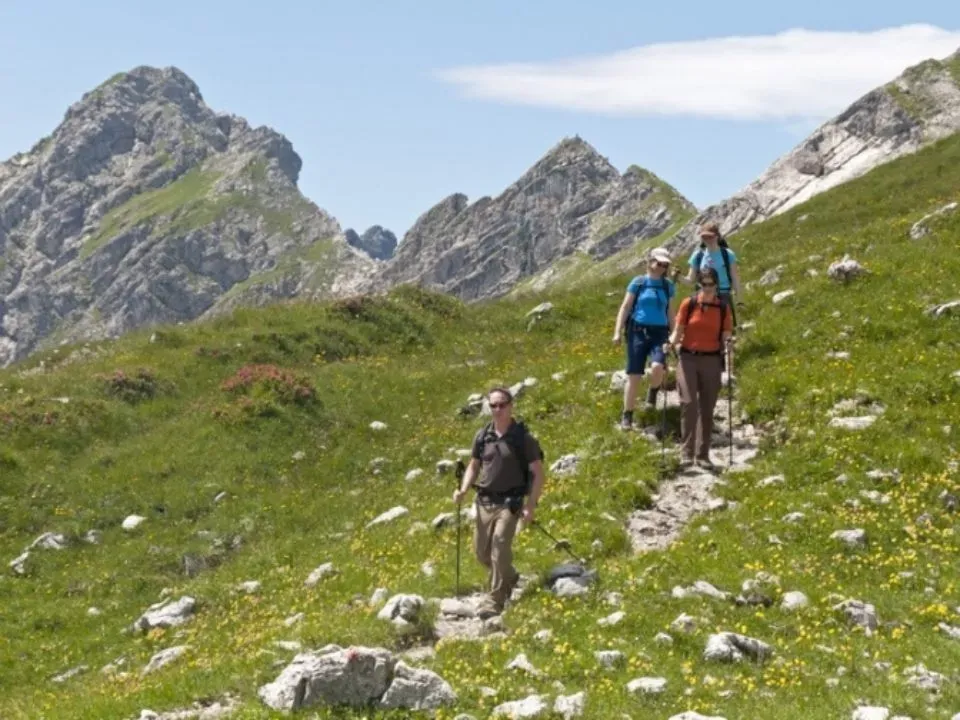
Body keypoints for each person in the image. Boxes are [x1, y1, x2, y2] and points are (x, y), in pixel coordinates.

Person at [453, 387, 545, 618]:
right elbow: (474, 465)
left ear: (511, 406)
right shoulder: (483, 436)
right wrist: (463, 489)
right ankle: (510, 576)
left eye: (502, 404)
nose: (497, 409)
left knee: (499, 548)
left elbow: (538, 473)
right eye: (493, 405)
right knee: (482, 553)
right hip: (484, 501)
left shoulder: (523, 438)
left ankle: (495, 600)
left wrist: (530, 505)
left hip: (510, 503)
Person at [667, 267, 733, 469]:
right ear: (699, 284)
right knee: (688, 402)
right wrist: (670, 344)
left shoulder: (723, 307)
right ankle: (686, 453)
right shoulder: (689, 303)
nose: (707, 288)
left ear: (716, 284)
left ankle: (702, 455)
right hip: (688, 358)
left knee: (707, 407)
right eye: (703, 284)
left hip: (712, 360)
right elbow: (679, 330)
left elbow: (726, 334)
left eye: (711, 284)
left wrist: (729, 345)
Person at [613, 247, 676, 430]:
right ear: (650, 262)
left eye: (665, 265)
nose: (662, 267)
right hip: (637, 331)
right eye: (659, 263)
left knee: (658, 367)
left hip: (660, 333)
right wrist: (617, 332)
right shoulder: (638, 282)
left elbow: (671, 312)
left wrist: (675, 336)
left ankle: (653, 392)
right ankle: (627, 414)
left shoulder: (668, 286)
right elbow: (625, 307)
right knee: (634, 375)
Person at [683, 221, 743, 303]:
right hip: (703, 295)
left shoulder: (728, 254)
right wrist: (676, 276)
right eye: (704, 237)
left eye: (710, 236)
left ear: (717, 236)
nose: (707, 240)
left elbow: (735, 278)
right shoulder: (697, 255)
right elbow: (690, 280)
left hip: (723, 296)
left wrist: (739, 300)